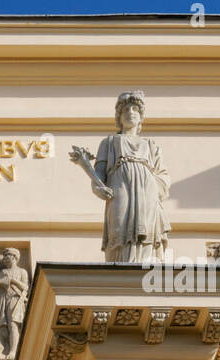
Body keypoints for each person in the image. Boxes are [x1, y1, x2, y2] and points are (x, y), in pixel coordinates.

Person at [70, 90, 171, 263]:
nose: (130, 112)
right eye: (126, 110)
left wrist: (151, 187)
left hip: (147, 195)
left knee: (145, 232)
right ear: (119, 117)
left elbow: (163, 176)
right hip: (120, 190)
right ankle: (120, 268)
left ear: (141, 117)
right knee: (119, 228)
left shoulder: (151, 145)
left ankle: (143, 265)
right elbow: (99, 174)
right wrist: (97, 187)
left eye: (135, 110)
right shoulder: (109, 142)